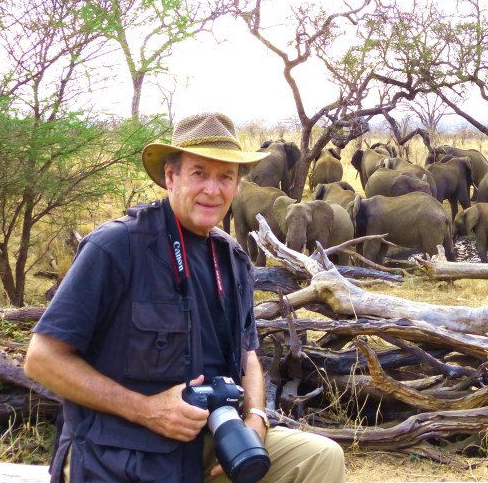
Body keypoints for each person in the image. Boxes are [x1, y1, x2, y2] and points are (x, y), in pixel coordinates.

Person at [24, 112, 346, 483]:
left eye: (226, 177)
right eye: (199, 174)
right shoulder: (116, 247)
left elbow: (249, 354)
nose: (213, 189)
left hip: (208, 441)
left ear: (238, 186)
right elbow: (42, 359)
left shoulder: (233, 258)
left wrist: (256, 419)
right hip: (120, 449)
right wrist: (146, 410)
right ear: (170, 176)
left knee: (321, 457)